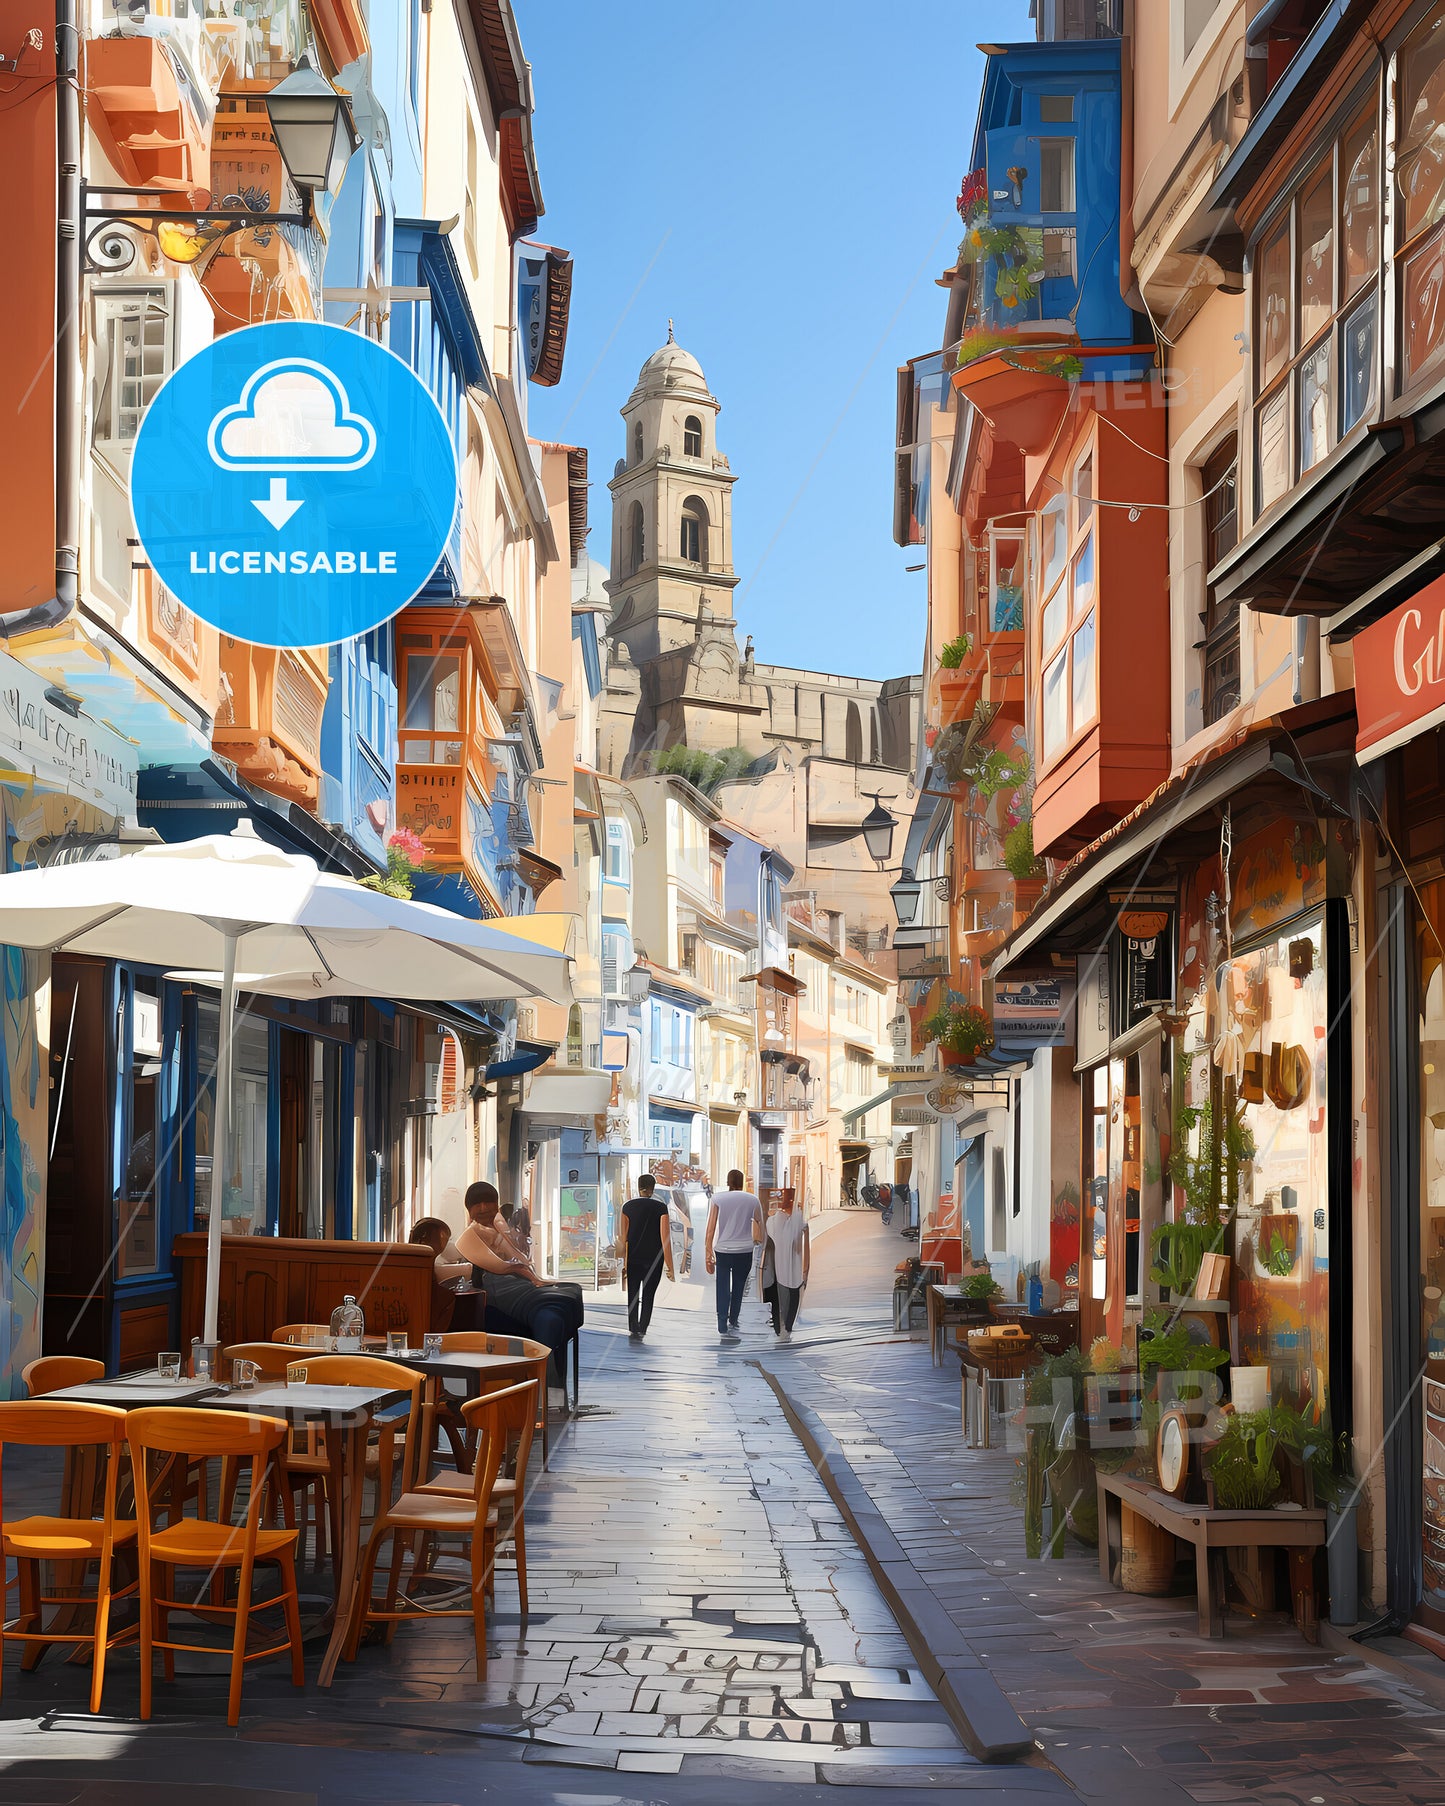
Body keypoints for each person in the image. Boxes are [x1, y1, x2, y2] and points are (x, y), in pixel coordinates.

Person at [455, 1182, 579, 1406]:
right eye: (477, 1203)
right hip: (501, 1293)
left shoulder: (497, 1230)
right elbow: (503, 1266)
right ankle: (545, 1391)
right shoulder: (469, 1235)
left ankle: (551, 1391)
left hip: (518, 1287)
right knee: (550, 1313)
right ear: (468, 1208)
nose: (484, 1207)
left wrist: (532, 1276)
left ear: (497, 1204)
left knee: (562, 1302)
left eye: (488, 1201)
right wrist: (530, 1276)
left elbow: (521, 1260)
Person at [705, 1168, 763, 1345]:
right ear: (742, 1181)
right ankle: (733, 1319)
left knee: (722, 1285)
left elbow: (711, 1228)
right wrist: (761, 1245)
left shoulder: (718, 1199)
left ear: (727, 1181)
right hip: (745, 1250)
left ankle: (722, 1322)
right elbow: (760, 1224)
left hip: (723, 1249)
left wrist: (708, 1251)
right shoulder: (753, 1200)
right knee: (738, 1286)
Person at [618, 1174, 674, 1344]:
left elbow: (623, 1237)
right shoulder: (661, 1208)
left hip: (633, 1258)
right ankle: (643, 1327)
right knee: (649, 1295)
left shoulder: (627, 1207)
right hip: (654, 1260)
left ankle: (632, 1326)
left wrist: (623, 1262)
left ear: (638, 1186)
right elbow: (665, 1238)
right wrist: (670, 1266)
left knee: (633, 1293)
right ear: (653, 1188)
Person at [764, 1193, 810, 1343]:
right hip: (792, 1269)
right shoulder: (798, 1224)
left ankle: (783, 1328)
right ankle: (786, 1328)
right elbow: (805, 1248)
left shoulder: (774, 1222)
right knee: (792, 1296)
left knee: (783, 1297)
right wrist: (806, 1269)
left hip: (780, 1268)